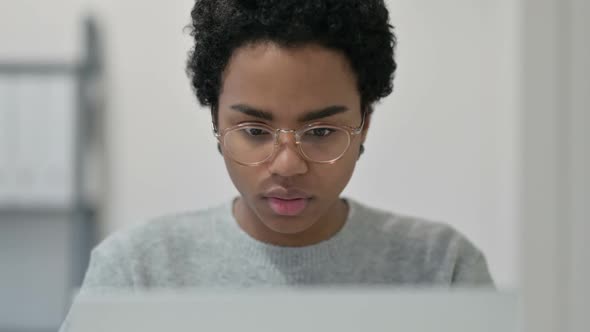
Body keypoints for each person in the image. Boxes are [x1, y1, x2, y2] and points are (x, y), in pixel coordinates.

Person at [59, 0, 493, 330]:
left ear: (364, 125)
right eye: (254, 131)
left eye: (321, 132)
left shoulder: (440, 268)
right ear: (216, 121)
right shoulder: (138, 272)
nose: (287, 165)